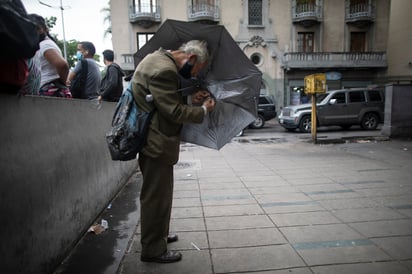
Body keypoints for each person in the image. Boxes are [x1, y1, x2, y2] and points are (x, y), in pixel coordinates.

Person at [131, 40, 215, 263]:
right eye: (198, 69)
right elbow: (173, 111)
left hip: (154, 140)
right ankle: (153, 250)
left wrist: (189, 98)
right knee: (156, 197)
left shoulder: (158, 59)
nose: (195, 75)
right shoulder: (165, 70)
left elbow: (161, 100)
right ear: (192, 59)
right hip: (155, 142)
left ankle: (159, 236)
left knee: (161, 194)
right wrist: (203, 110)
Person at [29, 14, 71, 97]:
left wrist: (62, 82)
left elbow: (62, 65)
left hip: (50, 90)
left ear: (44, 29)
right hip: (51, 89)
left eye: (37, 29)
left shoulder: (45, 44)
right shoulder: (45, 44)